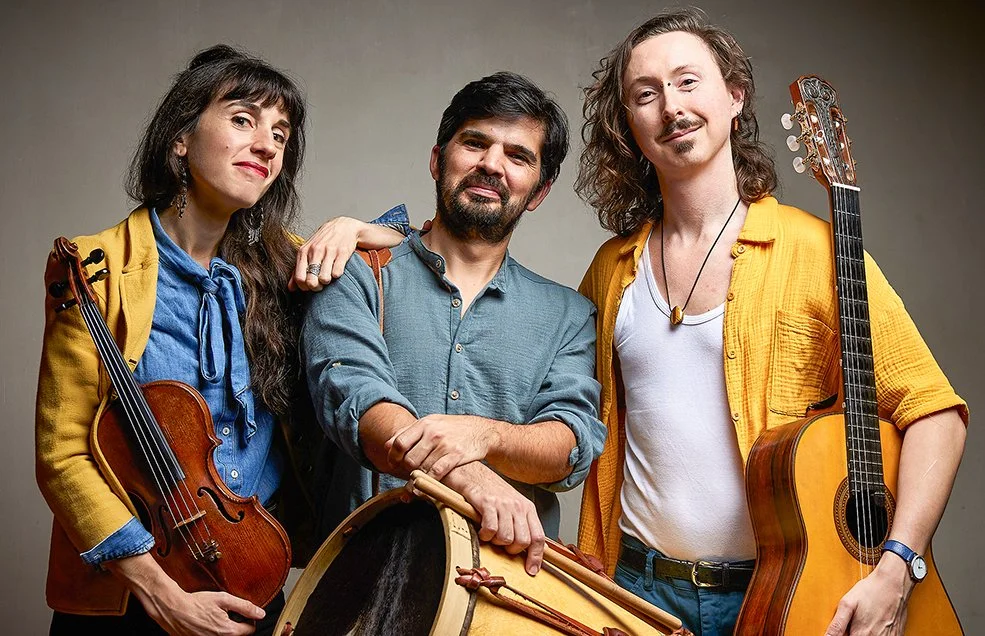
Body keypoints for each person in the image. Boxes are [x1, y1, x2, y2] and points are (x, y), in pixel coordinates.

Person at [573, 9, 968, 635]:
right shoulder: (611, 268)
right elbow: (556, 404)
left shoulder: (815, 252)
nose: (671, 106)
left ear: (734, 97)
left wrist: (897, 564)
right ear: (629, 126)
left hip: (782, 596)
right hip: (635, 593)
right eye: (645, 95)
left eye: (688, 81)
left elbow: (935, 414)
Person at [35, 44, 403, 636]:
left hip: (252, 579)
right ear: (181, 138)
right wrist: (162, 593)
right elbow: (64, 455)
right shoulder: (96, 267)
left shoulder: (284, 263)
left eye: (280, 135)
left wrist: (350, 228)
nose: (267, 145)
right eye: (242, 120)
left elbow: (419, 247)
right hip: (133, 596)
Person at [302, 71, 606, 575]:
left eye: (518, 156)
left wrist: (485, 436)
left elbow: (570, 445)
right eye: (475, 143)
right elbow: (357, 398)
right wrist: (473, 476)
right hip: (360, 585)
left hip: (501, 592)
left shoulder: (569, 316)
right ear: (437, 159)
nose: (492, 165)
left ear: (539, 192)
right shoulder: (354, 272)